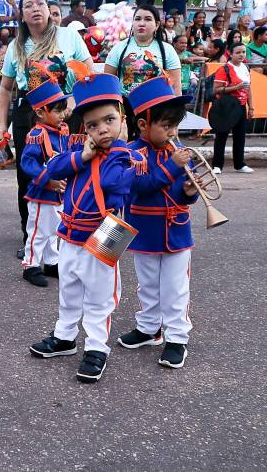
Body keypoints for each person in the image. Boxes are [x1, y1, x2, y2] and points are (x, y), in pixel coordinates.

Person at [29, 65, 134, 383]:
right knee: (69, 291)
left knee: (99, 296)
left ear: (122, 120)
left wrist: (116, 147)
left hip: (106, 233)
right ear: (84, 128)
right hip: (70, 235)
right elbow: (54, 169)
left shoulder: (122, 154)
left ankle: (97, 348)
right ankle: (64, 337)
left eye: (109, 121)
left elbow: (117, 183)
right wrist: (83, 156)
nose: (101, 129)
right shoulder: (77, 150)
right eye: (93, 125)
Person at [0, 0, 93, 257]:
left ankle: (70, 235)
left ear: (49, 10)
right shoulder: (16, 46)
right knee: (30, 174)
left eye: (40, 3)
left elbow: (88, 72)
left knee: (72, 170)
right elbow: (5, 88)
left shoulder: (69, 35)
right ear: (22, 15)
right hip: (30, 114)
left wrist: (74, 102)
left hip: (69, 111)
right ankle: (32, 239)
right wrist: (2, 125)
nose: (35, 8)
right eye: (28, 5)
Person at [120, 75, 197, 368]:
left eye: (175, 125)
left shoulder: (176, 154)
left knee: (176, 288)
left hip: (177, 229)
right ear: (143, 124)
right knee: (148, 284)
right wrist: (172, 167)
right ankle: (149, 328)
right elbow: (141, 186)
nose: (172, 132)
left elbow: (180, 193)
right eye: (166, 126)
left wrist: (189, 192)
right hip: (144, 230)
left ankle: (177, 338)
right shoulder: (130, 152)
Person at [18, 78, 72, 287]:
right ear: (41, 113)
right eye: (57, 111)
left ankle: (51, 262)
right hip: (43, 193)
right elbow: (28, 163)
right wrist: (47, 181)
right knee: (39, 231)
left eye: (63, 110)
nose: (62, 115)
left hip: (59, 192)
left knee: (53, 230)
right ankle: (30, 265)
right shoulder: (37, 135)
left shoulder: (62, 131)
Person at [105, 5, 181, 97]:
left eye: (148, 19)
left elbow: (176, 88)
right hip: (125, 107)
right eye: (137, 19)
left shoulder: (168, 50)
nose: (141, 23)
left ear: (157, 25)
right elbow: (108, 84)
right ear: (132, 22)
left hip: (157, 106)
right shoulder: (119, 48)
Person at [211, 42, 253, 174]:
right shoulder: (224, 69)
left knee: (240, 136)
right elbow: (216, 90)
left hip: (240, 107)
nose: (241, 55)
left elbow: (248, 88)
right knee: (221, 136)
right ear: (230, 54)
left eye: (243, 52)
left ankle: (240, 164)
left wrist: (251, 107)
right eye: (238, 52)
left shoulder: (245, 67)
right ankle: (217, 165)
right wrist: (236, 88)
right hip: (226, 107)